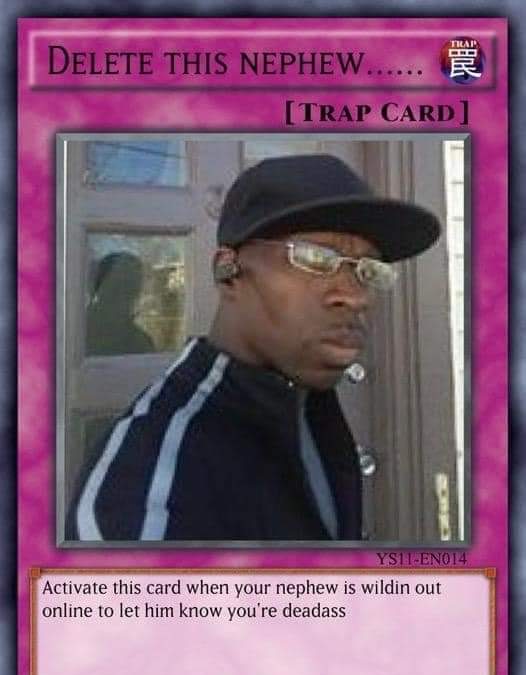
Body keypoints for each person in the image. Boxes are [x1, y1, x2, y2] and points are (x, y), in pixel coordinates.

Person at [66, 154, 440, 542]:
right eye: (315, 258)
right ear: (228, 272)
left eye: (368, 270)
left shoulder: (309, 404)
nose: (355, 295)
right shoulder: (145, 493)